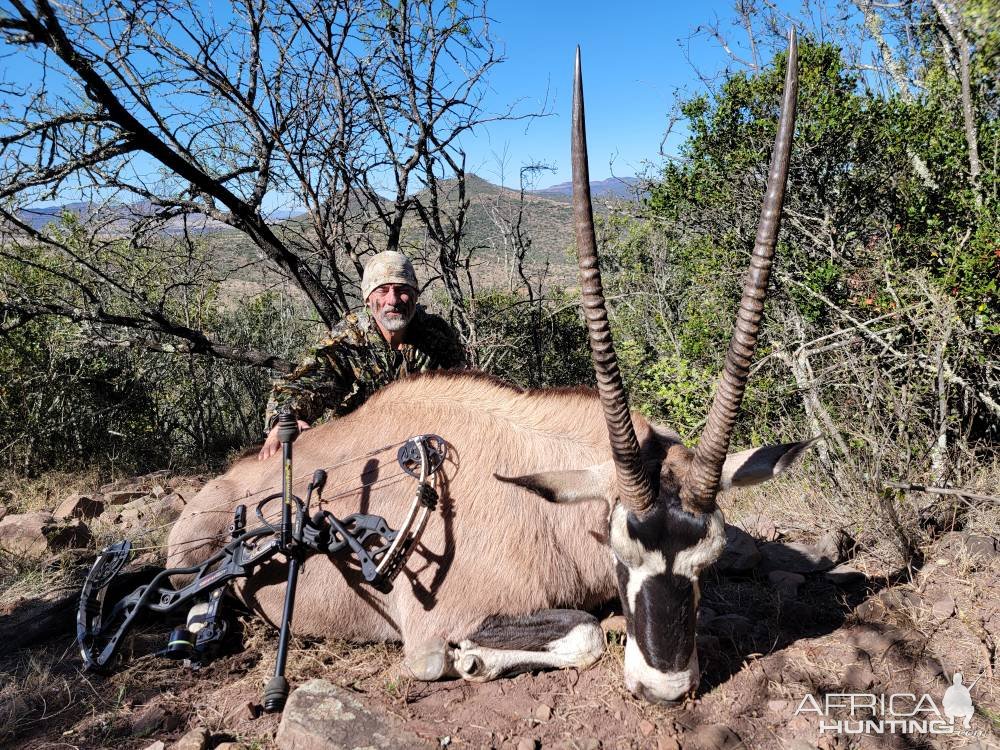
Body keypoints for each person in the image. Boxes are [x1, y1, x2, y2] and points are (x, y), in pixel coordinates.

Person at [258, 251, 466, 460]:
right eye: (382, 291)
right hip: (361, 454)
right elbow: (307, 380)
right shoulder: (348, 340)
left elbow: (464, 388)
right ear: (367, 298)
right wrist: (284, 420)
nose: (392, 300)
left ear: (415, 294)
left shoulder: (437, 335)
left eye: (402, 290)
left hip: (428, 448)